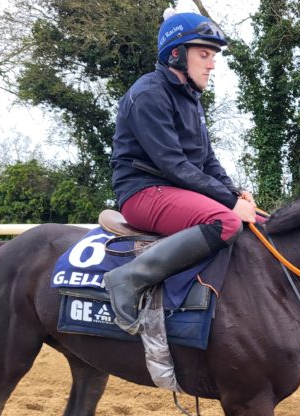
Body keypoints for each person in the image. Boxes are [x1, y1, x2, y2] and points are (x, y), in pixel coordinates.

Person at [105, 9, 257, 335]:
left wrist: (235, 193)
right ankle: (127, 279)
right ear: (176, 54)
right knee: (227, 221)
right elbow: (174, 165)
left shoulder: (191, 99)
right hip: (143, 192)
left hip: (176, 190)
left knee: (259, 220)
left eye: (213, 56)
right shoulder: (149, 94)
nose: (212, 64)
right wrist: (230, 204)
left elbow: (207, 161)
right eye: (204, 54)